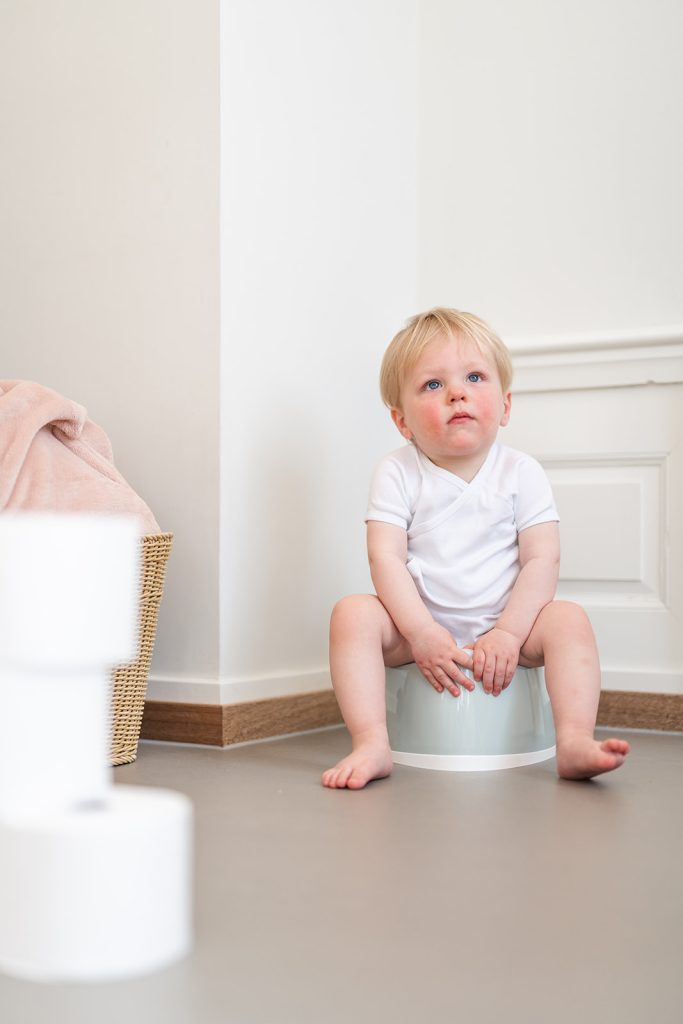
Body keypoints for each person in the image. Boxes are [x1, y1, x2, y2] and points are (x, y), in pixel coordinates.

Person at [322, 307, 630, 790]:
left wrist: (508, 633)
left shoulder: (521, 472)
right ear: (402, 421)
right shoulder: (397, 472)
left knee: (568, 619)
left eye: (474, 377)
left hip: (511, 629)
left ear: (505, 406)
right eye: (433, 384)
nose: (457, 393)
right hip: (417, 628)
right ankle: (371, 741)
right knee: (352, 614)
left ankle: (573, 740)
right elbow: (385, 557)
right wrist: (421, 632)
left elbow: (541, 558)